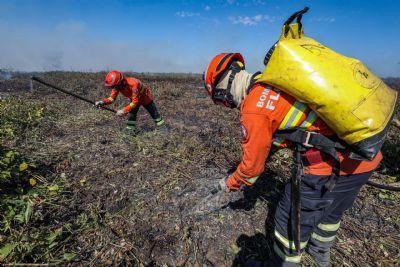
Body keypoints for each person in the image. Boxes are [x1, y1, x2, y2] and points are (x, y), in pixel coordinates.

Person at [203, 53, 382, 266]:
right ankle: (320, 253)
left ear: (225, 87)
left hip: (326, 167)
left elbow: (250, 170)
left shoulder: (253, 110)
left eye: (223, 101)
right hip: (365, 156)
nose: (228, 106)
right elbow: (283, 132)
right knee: (331, 212)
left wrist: (229, 183)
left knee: (287, 223)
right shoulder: (276, 82)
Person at [95, 70, 165, 132]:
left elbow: (135, 102)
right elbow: (111, 98)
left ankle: (163, 128)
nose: (114, 88)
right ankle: (130, 131)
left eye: (115, 86)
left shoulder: (134, 84)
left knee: (154, 113)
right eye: (113, 87)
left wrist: (124, 110)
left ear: (121, 82)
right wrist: (102, 102)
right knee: (132, 114)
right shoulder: (117, 86)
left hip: (145, 98)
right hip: (134, 99)